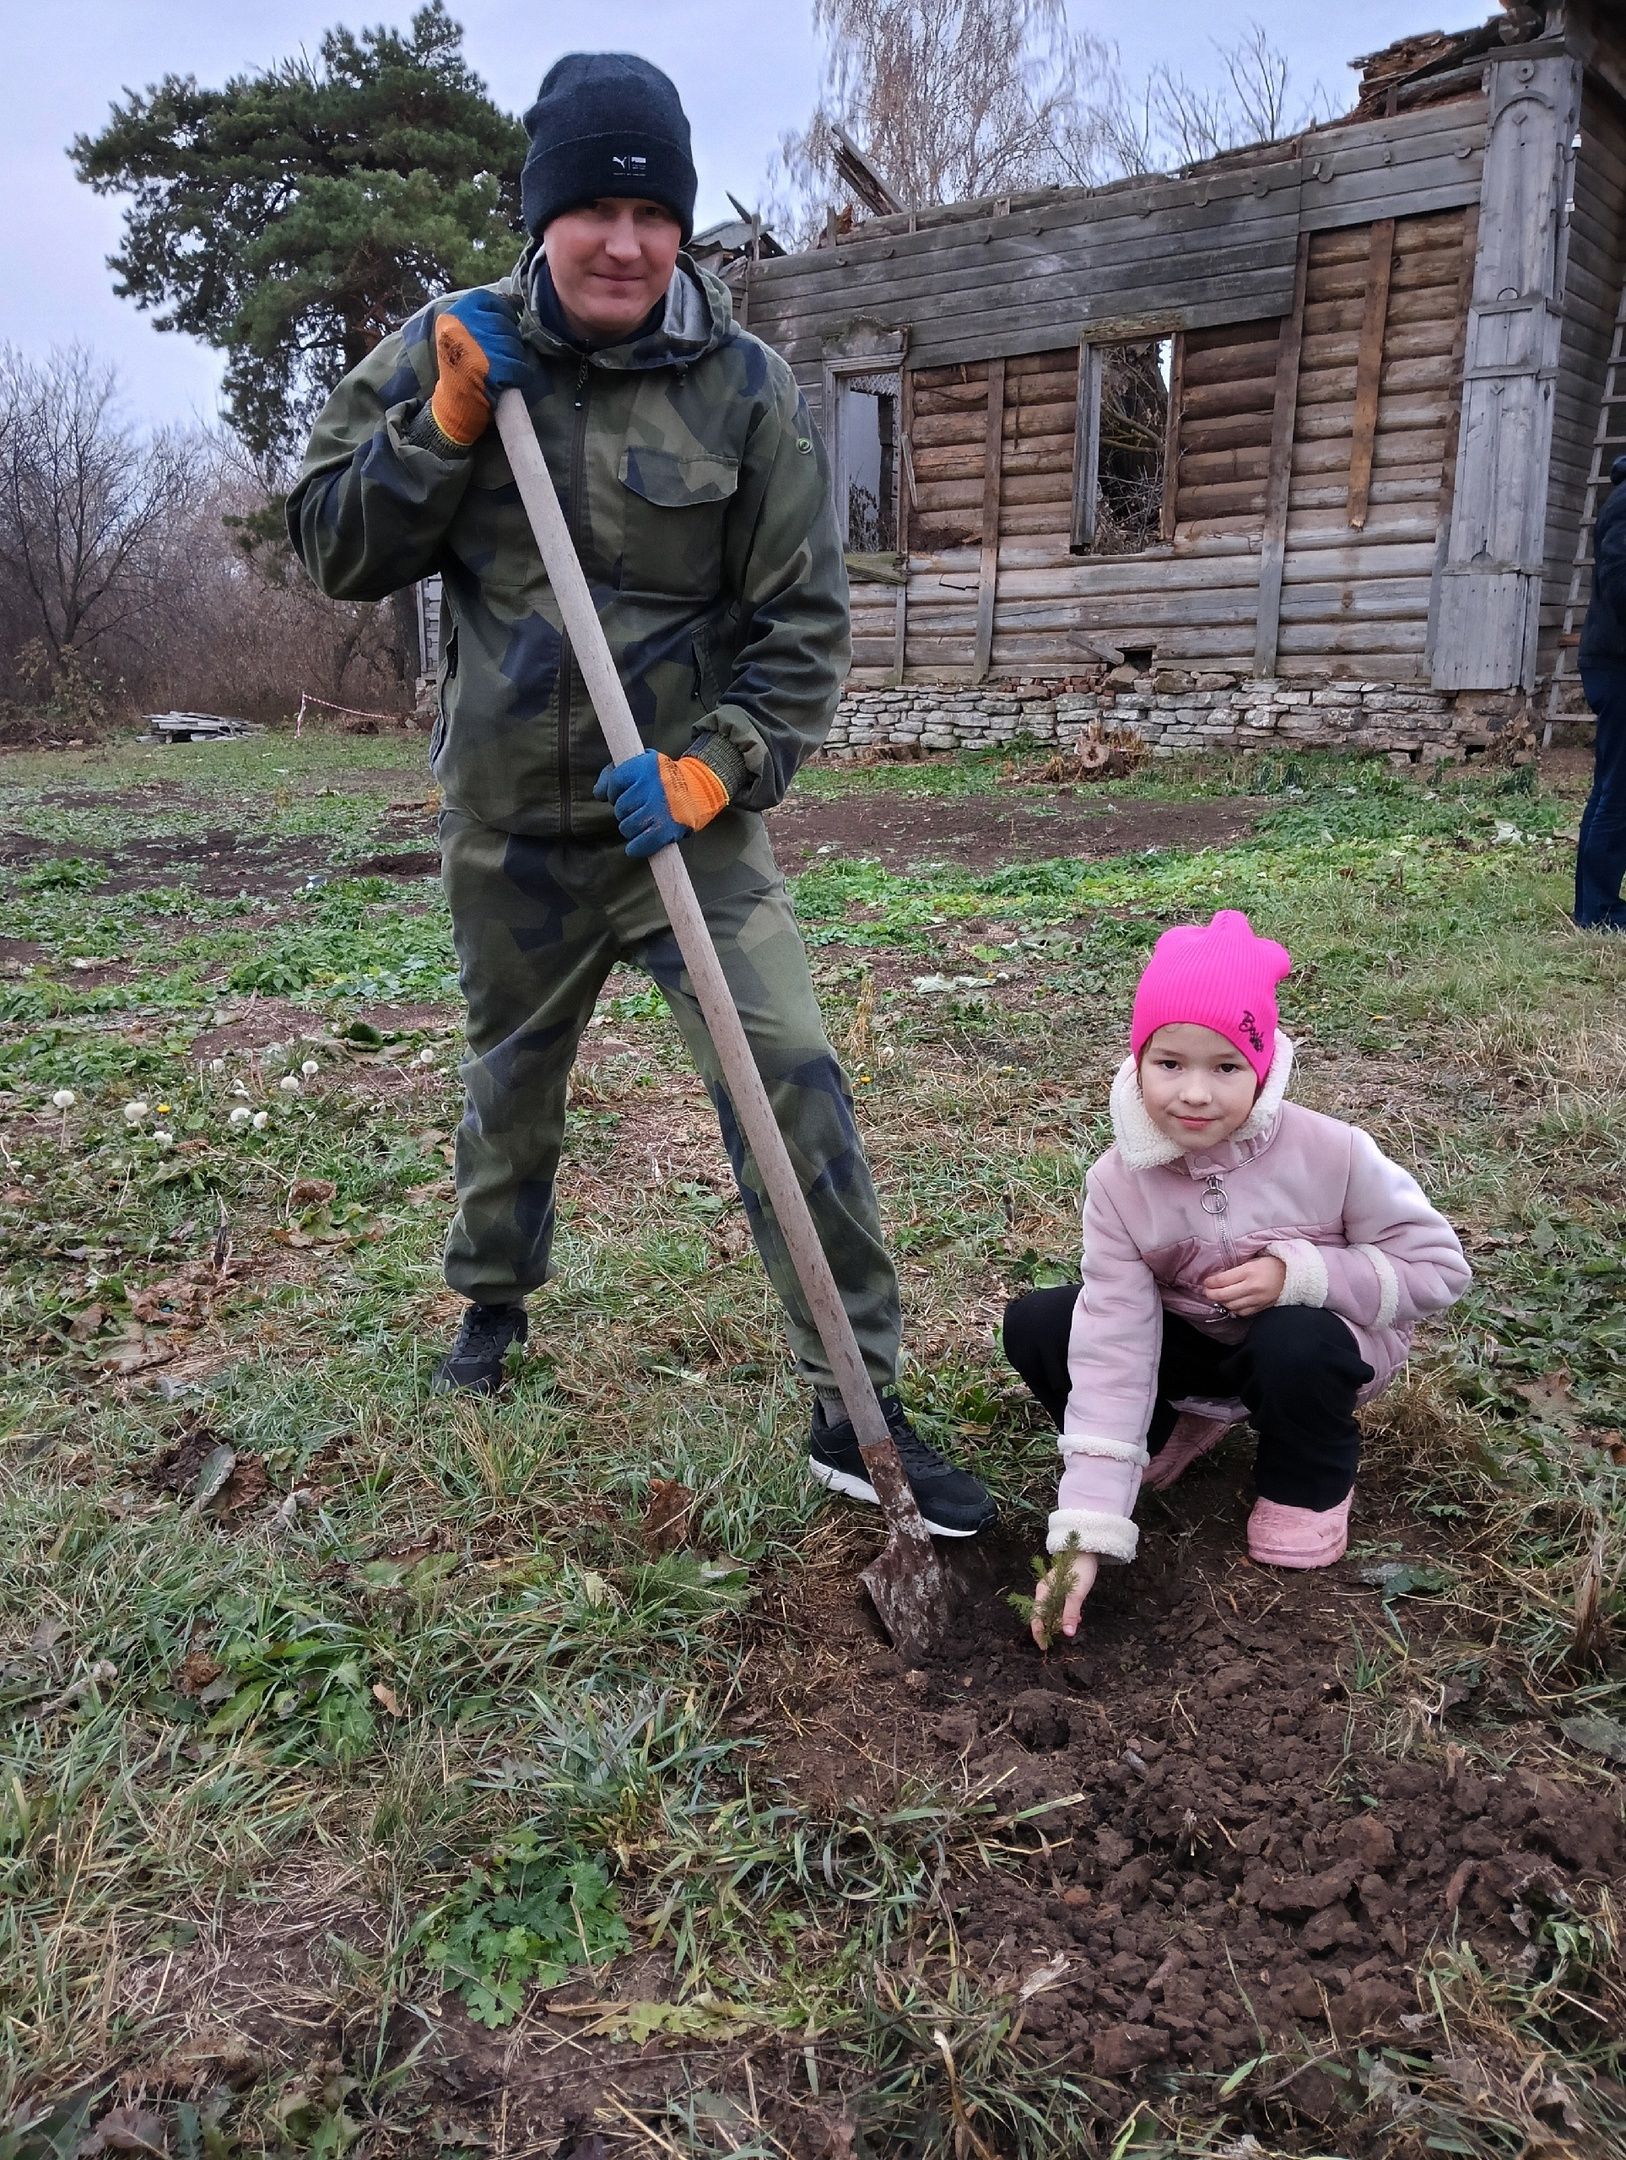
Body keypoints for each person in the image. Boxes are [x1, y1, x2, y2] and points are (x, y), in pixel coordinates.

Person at [287, 52, 994, 1537]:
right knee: (511, 1083)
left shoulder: (742, 391)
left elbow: (803, 627)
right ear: (540, 215)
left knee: (792, 1072)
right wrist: (448, 429)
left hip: (681, 821)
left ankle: (848, 1401)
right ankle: (490, 1308)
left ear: (678, 226)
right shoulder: (448, 345)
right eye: (591, 208)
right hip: (510, 827)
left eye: (650, 210)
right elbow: (334, 547)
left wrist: (713, 765)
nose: (622, 240)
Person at [1001, 910, 1469, 1645]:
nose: (1194, 1093)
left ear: (1262, 1067)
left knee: (1296, 1339)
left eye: (1224, 1068)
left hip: (1313, 1350)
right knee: (1041, 1322)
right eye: (1170, 1064)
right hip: (1194, 1343)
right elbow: (1114, 1342)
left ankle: (1304, 1483)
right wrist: (1086, 1532)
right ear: (1138, 1059)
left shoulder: (1335, 1153)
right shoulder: (1120, 1183)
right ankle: (1168, 1435)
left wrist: (1302, 1273)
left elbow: (1439, 1272)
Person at [1575, 452, 1626, 931]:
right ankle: (1598, 911)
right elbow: (1619, 579)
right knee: (1618, 790)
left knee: (1613, 787)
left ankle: (1597, 905)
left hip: (1611, 660)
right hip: (1616, 665)